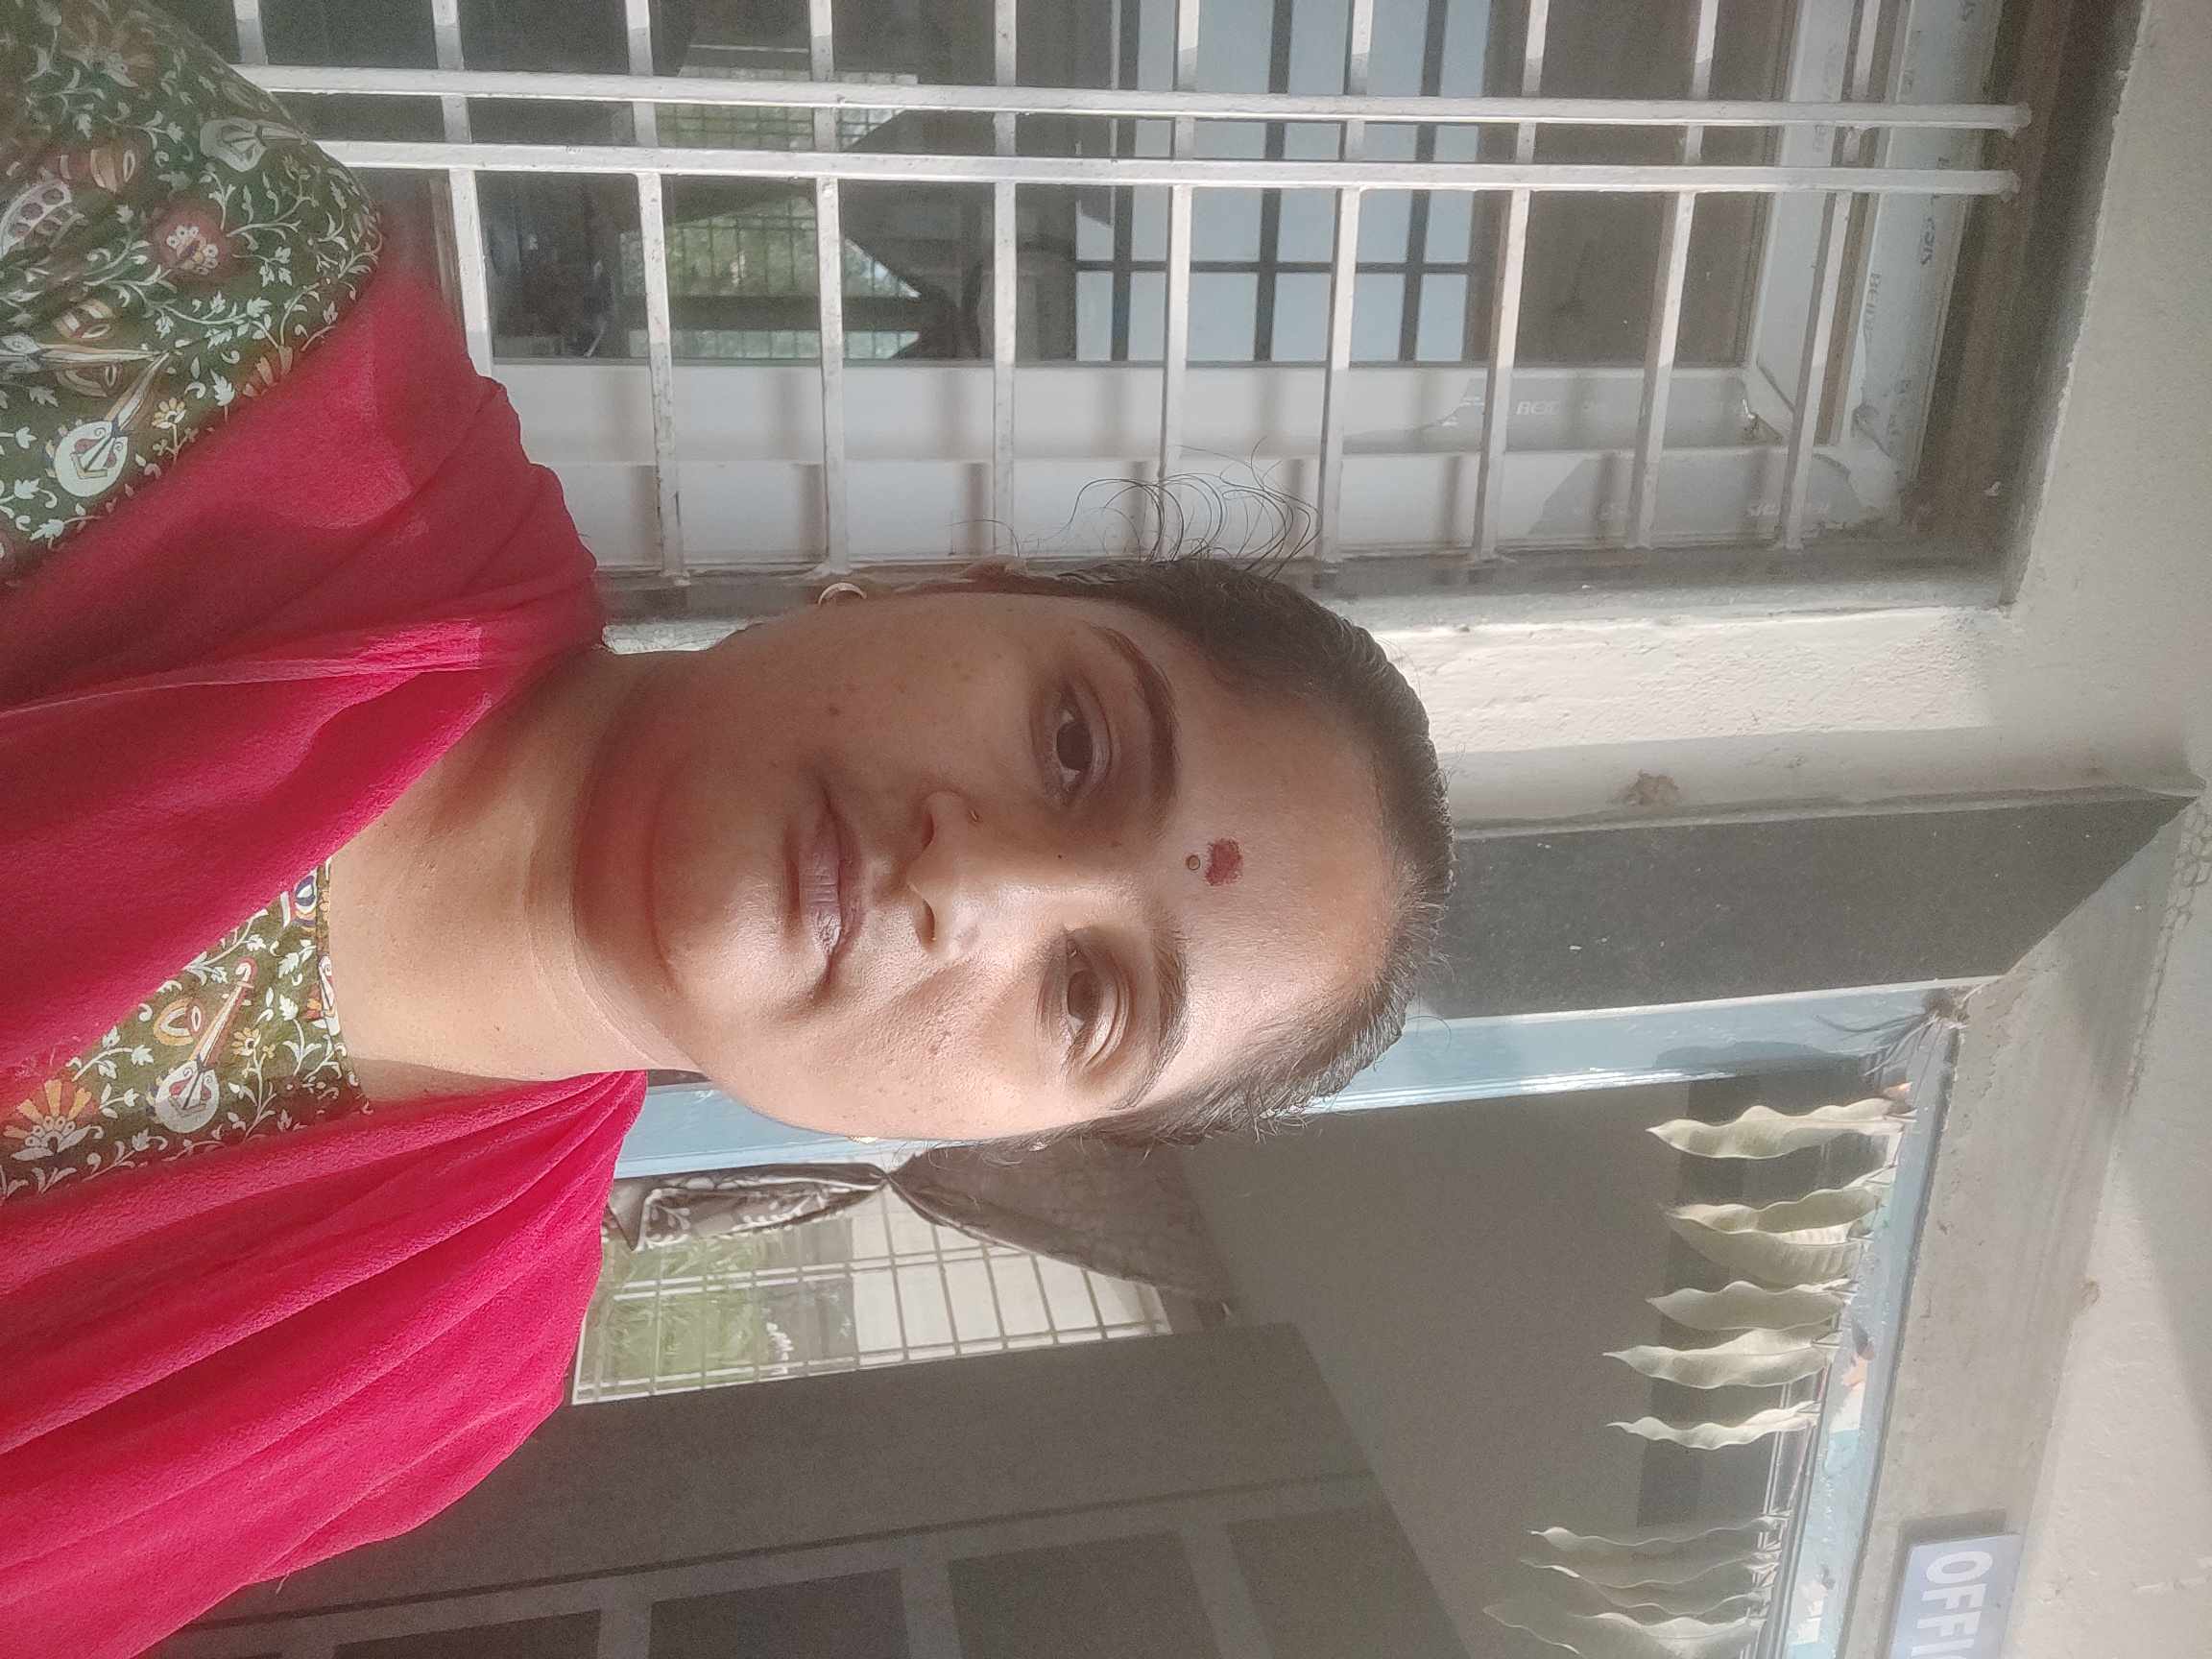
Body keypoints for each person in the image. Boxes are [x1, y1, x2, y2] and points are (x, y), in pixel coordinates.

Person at [0, 3, 1453, 1653]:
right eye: (1075, 741)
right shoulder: (201, 305)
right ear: (944, 587)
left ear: (1005, 1136)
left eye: (1086, 997)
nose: (974, 882)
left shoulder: (418, 1399)